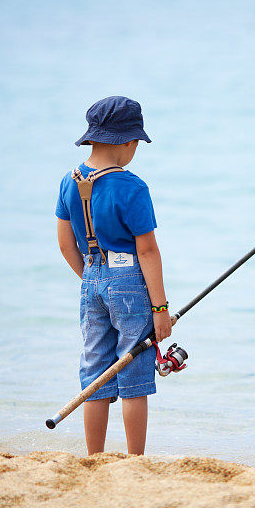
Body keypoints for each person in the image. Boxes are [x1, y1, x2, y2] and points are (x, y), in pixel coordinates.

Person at [55, 96, 172, 455]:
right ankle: (135, 459)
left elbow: (65, 244)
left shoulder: (68, 181)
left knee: (96, 372)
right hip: (130, 284)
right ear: (127, 142)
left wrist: (93, 279)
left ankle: (94, 457)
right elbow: (147, 251)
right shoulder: (132, 187)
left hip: (91, 279)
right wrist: (160, 308)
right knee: (133, 373)